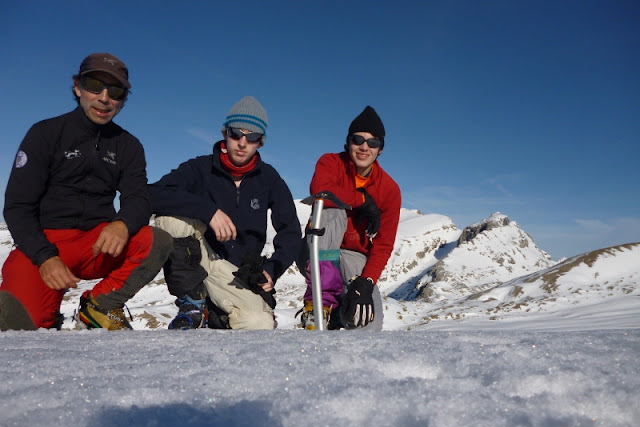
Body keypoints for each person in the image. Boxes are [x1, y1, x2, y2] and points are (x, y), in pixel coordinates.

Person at [0, 53, 173, 331]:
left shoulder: (128, 146)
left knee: (156, 240)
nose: (104, 98)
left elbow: (138, 198)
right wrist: (45, 257)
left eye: (115, 91)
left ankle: (99, 306)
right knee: (20, 329)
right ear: (78, 87)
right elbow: (18, 206)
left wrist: (122, 223)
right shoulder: (45, 133)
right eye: (94, 85)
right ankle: (45, 312)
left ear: (122, 100)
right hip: (45, 243)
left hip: (96, 243)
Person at [150, 96, 301, 330]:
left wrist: (273, 269)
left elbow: (290, 231)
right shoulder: (199, 168)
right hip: (200, 256)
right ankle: (192, 305)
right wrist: (208, 211)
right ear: (224, 134)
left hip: (238, 272)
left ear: (260, 142)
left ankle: (217, 311)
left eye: (252, 137)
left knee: (258, 323)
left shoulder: (269, 179)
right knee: (169, 220)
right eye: (236, 134)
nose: (242, 142)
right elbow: (153, 194)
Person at [298, 106, 401, 331]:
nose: (365, 147)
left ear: (380, 149)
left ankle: (337, 316)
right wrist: (362, 201)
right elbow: (320, 191)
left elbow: (383, 244)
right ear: (348, 142)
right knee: (329, 208)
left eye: (373, 142)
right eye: (358, 140)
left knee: (369, 323)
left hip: (354, 256)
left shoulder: (389, 189)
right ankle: (320, 304)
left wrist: (366, 282)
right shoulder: (331, 163)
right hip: (318, 248)